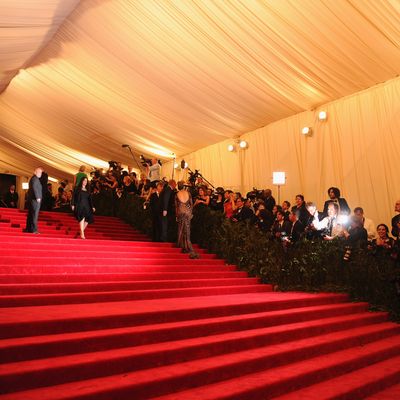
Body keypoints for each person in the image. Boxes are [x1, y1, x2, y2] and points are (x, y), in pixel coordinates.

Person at [175, 181, 198, 257]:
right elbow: (191, 204)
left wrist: (176, 215)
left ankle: (181, 244)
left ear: (178, 186)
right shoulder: (188, 193)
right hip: (188, 212)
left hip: (180, 211)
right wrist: (190, 213)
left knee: (181, 228)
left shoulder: (177, 194)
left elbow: (176, 206)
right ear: (184, 186)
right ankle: (187, 244)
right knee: (187, 229)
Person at [25, 167, 43, 234]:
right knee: (34, 215)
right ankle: (34, 230)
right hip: (35, 200)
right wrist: (38, 197)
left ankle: (28, 229)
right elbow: (35, 188)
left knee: (31, 214)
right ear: (35, 172)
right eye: (39, 172)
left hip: (33, 200)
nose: (40, 174)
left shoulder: (34, 178)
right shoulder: (35, 179)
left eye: (41, 172)